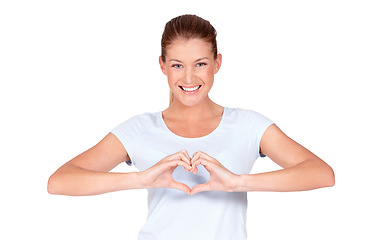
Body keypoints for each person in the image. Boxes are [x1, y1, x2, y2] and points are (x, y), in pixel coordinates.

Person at [48, 14, 335, 240]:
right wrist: (142, 179)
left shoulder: (247, 125)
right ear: (162, 65)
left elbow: (322, 174)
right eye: (176, 65)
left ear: (217, 63)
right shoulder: (139, 129)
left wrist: (237, 182)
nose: (188, 77)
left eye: (200, 64)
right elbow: (60, 181)